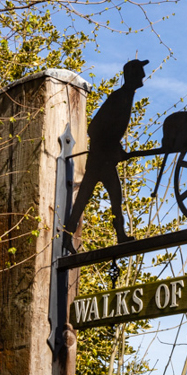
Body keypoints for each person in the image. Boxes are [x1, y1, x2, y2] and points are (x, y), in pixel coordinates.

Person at [64, 58, 148, 252]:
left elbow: (112, 130)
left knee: (111, 198)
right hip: (101, 159)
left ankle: (119, 235)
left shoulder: (127, 96)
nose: (144, 76)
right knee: (88, 197)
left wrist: (117, 150)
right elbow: (96, 128)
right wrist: (111, 149)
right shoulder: (120, 97)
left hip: (106, 158)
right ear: (133, 75)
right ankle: (69, 237)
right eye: (140, 72)